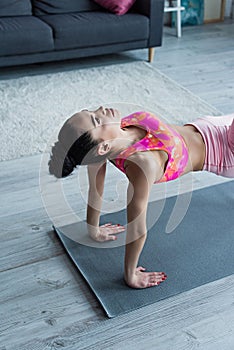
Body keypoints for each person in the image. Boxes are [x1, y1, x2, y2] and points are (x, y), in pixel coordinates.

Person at [49, 106, 234, 289]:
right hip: (224, 152)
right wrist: (131, 275)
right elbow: (137, 229)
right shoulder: (141, 164)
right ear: (103, 146)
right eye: (96, 120)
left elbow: (96, 190)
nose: (101, 109)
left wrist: (94, 229)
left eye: (91, 111)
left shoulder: (117, 129)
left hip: (206, 126)